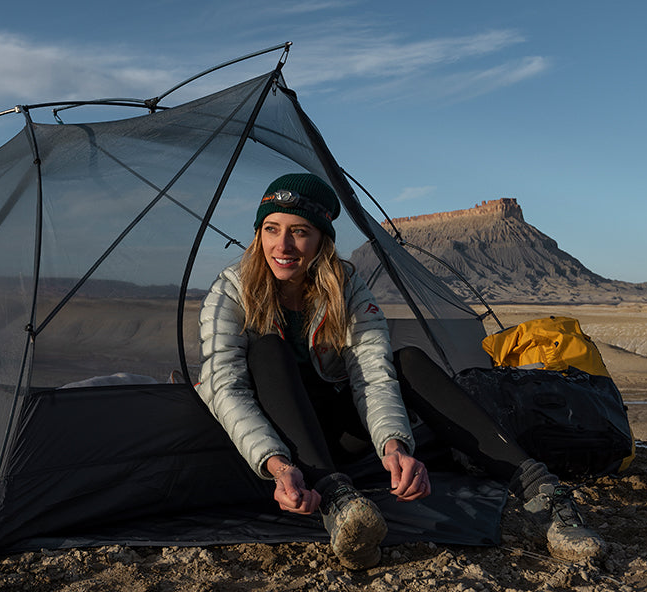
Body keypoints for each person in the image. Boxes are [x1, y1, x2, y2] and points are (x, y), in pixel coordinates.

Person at [196, 174, 606, 569]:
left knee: (406, 359)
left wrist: (395, 446)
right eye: (271, 229)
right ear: (258, 234)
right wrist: (278, 466)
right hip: (282, 439)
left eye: (299, 231)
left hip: (338, 429)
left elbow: (372, 373)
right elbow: (225, 386)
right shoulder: (231, 289)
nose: (282, 245)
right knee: (268, 350)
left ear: (322, 239)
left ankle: (543, 492)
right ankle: (339, 501)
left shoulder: (346, 286)